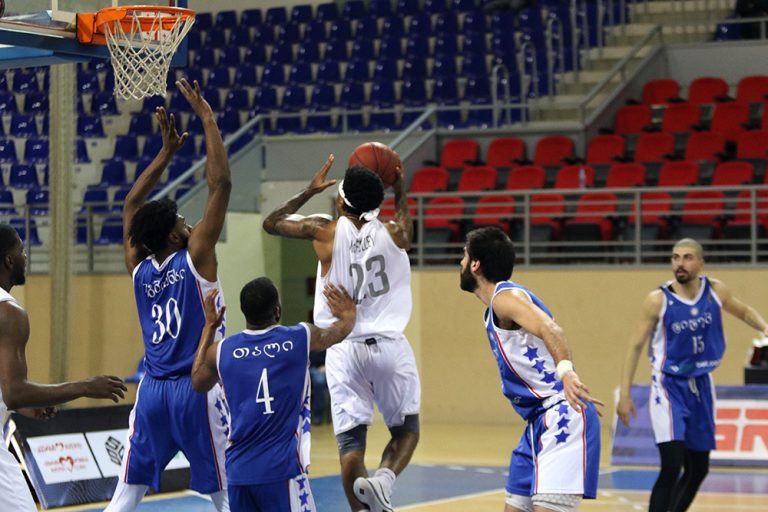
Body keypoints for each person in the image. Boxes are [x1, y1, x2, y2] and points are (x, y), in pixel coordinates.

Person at [263, 155, 420, 512]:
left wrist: (308, 191)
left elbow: (271, 223)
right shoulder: (394, 233)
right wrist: (399, 189)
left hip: (342, 346)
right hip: (389, 345)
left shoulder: (324, 231)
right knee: (407, 429)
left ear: (340, 199)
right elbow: (406, 226)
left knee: (351, 447)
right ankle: (384, 482)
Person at [105, 78, 232, 512]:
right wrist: (207, 118)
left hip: (152, 392)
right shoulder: (196, 257)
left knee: (127, 495)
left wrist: (166, 154)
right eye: (182, 220)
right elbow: (220, 185)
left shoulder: (138, 269)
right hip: (197, 388)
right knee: (226, 495)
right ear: (175, 236)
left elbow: (130, 206)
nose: (189, 223)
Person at [617, 238, 768, 512]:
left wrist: (764, 327)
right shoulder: (658, 300)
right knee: (672, 465)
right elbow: (635, 346)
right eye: (675, 257)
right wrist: (625, 394)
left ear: (700, 262)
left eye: (687, 257)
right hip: (668, 386)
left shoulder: (715, 291)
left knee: (699, 468)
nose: (680, 263)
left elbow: (744, 311)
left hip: (701, 383)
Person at [459, 226, 602, 512]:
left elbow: (551, 329)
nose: (460, 263)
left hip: (562, 414)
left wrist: (567, 371)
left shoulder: (505, 297)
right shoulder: (500, 305)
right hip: (537, 422)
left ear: (475, 264)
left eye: (463, 256)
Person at [190, 279, 356, 511]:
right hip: (282, 470)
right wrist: (349, 314)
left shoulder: (222, 351)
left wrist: (209, 326)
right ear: (277, 311)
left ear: (244, 311)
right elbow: (337, 332)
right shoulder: (300, 337)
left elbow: (197, 380)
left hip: (239, 472)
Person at [0, 223, 127, 511]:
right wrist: (85, 387)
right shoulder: (9, 311)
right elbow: (15, 392)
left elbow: (8, 392)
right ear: (8, 260)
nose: (25, 256)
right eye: (20, 250)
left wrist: (20, 406)